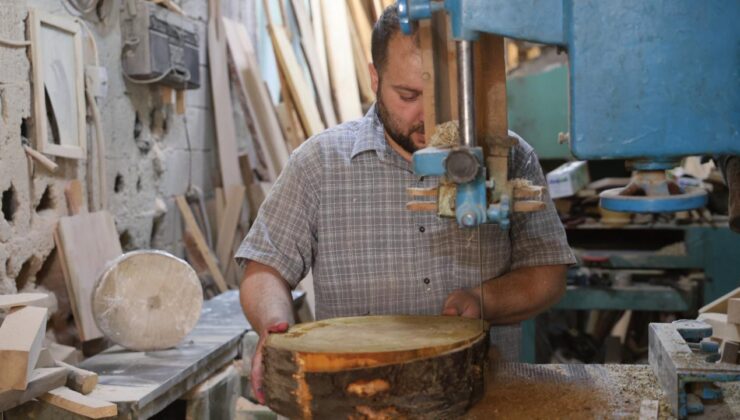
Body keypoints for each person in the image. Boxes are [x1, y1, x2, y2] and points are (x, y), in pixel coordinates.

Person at [236, 6, 575, 404]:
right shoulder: (319, 163)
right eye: (409, 96)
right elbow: (265, 266)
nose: (429, 117)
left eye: (443, 96)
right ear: (374, 78)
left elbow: (547, 275)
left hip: (480, 397)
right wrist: (274, 325)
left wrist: (482, 302)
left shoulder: (509, 157)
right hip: (358, 400)